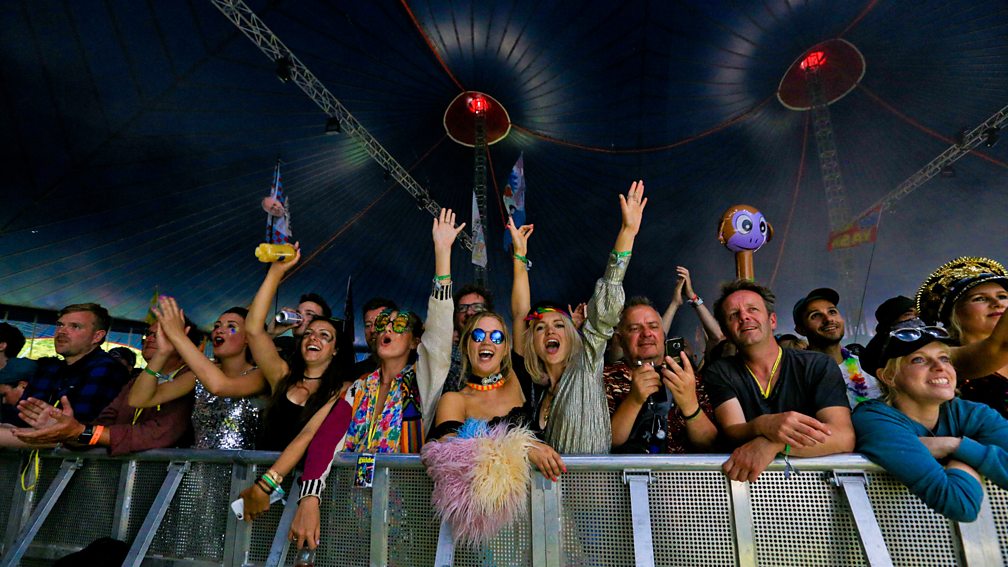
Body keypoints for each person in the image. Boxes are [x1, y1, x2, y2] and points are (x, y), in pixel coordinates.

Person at [246, 209, 458, 550]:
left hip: (411, 519)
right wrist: (309, 498)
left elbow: (440, 328)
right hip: (351, 518)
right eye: (383, 324)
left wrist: (442, 253)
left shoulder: (422, 380)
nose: (388, 328)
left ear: (415, 341)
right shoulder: (358, 388)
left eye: (400, 325)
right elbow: (325, 438)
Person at [509, 180, 647, 454]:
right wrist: (519, 257)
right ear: (531, 341)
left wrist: (627, 232)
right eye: (540, 328)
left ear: (572, 334)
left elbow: (607, 300)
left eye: (559, 325)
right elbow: (520, 314)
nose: (550, 331)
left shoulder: (586, 364)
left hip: (593, 483)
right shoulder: (536, 392)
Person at [852, 322, 1008, 521]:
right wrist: (968, 454)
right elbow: (960, 504)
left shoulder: (971, 413)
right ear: (889, 376)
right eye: (919, 360)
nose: (940, 367)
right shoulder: (874, 420)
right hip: (889, 530)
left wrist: (955, 446)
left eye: (944, 358)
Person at [704, 280, 854, 482]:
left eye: (752, 309)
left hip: (816, 483)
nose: (744, 317)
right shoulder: (720, 371)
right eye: (733, 314)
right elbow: (733, 431)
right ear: (725, 331)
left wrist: (777, 444)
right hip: (749, 484)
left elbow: (843, 436)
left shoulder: (817, 365)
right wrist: (764, 424)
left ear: (772, 320)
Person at [13, 321, 200, 455]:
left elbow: (158, 433)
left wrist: (79, 431)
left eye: (160, 335)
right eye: (148, 334)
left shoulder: (193, 380)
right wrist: (64, 430)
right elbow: (104, 423)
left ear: (184, 342)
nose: (149, 339)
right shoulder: (136, 381)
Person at [428, 311, 565, 478]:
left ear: (506, 349)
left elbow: (520, 311)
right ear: (465, 346)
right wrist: (523, 447)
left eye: (497, 337)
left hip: (541, 490)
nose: (487, 342)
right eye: (478, 336)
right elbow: (450, 456)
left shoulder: (517, 379)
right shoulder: (453, 400)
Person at [245, 246, 349, 450]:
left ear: (335, 349)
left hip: (309, 471)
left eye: (324, 335)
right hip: (265, 466)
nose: (313, 338)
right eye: (308, 333)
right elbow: (253, 330)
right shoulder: (282, 375)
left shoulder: (342, 389)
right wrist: (275, 273)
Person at [128, 303, 267, 449]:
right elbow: (139, 399)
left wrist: (178, 336)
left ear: (248, 338)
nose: (219, 330)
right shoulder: (198, 376)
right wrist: (162, 353)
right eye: (217, 326)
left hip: (240, 463)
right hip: (198, 463)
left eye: (231, 326)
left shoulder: (259, 375)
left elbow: (219, 387)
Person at [1, 304, 129, 446]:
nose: (61, 331)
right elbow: (22, 415)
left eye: (75, 326)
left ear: (97, 336)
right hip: (37, 451)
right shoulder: (50, 368)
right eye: (60, 325)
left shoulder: (108, 370)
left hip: (77, 456)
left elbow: (81, 430)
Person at [605, 297, 718, 454]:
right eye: (635, 329)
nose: (646, 333)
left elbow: (710, 444)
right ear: (620, 340)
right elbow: (604, 443)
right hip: (625, 469)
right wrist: (634, 400)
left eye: (653, 326)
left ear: (663, 335)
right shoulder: (606, 379)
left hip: (680, 470)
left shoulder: (687, 376)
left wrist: (690, 405)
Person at [915, 257, 1008, 417]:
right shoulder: (945, 358)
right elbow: (999, 346)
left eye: (1002, 296)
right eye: (980, 299)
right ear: (954, 314)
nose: (997, 303)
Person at [793, 287, 882, 407]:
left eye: (832, 312)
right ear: (801, 329)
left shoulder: (866, 365)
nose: (828, 319)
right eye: (815, 316)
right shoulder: (798, 374)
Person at [441, 284, 494, 393]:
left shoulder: (503, 356)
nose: (469, 312)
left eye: (477, 307)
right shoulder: (444, 357)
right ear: (455, 318)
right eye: (462, 308)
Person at [860, 295, 917, 378]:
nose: (915, 319)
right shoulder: (877, 348)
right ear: (891, 320)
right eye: (908, 314)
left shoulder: (926, 339)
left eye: (917, 315)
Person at [269, 292, 332, 360]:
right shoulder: (283, 342)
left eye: (309, 314)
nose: (300, 316)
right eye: (298, 312)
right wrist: (271, 334)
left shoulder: (319, 355)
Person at [350, 297, 398, 380]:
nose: (372, 330)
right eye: (368, 325)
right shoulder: (354, 374)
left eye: (379, 323)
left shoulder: (415, 368)